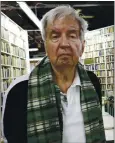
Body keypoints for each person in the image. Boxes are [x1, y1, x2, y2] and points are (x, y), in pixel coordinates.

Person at [2, 5, 105, 143]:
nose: (64, 44)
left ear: (82, 46)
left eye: (72, 35)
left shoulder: (92, 82)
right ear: (46, 46)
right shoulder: (19, 90)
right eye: (55, 36)